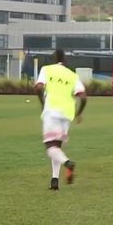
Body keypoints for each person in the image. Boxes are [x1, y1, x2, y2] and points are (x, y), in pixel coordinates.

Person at [35, 49, 87, 190]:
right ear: (65, 60)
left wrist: (42, 103)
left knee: (50, 147)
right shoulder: (72, 75)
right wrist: (78, 113)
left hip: (52, 111)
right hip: (67, 115)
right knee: (57, 147)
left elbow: (39, 87)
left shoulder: (47, 69)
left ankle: (68, 163)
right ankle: (54, 181)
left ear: (53, 58)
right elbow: (83, 97)